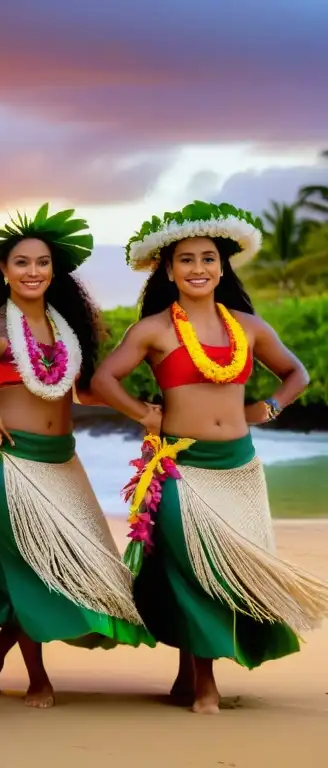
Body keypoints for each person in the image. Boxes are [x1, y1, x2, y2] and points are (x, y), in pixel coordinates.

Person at [91, 200, 328, 713]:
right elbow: (102, 380)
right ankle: (205, 687)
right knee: (197, 570)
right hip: (184, 467)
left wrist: (270, 406)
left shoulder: (248, 325)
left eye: (207, 259)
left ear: (222, 267)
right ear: (169, 270)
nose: (198, 269)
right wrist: (141, 412)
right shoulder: (154, 329)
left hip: (239, 467)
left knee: (230, 570)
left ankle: (186, 679)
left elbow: (297, 373)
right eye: (186, 261)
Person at [0, 204, 151, 708]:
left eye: (43, 263)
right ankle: (38, 678)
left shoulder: (67, 328)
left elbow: (85, 392)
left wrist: (143, 411)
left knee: (85, 566)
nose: (33, 272)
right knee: (31, 568)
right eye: (22, 263)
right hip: (11, 462)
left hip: (63, 461)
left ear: (55, 271)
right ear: (3, 271)